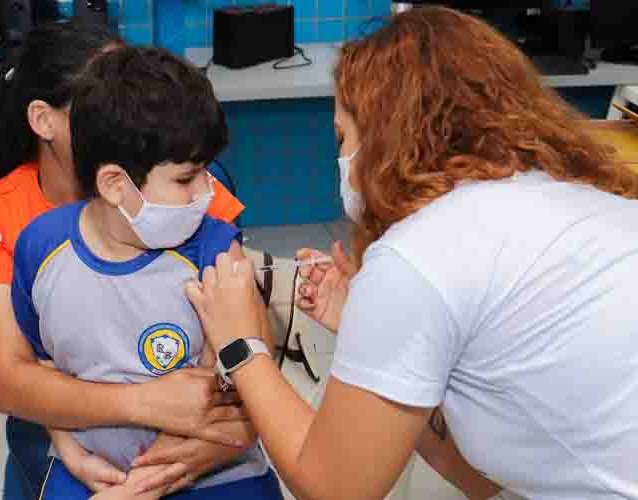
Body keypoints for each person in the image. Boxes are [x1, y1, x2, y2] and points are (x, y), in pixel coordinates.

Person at [137, 7, 638, 500]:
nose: (341, 159)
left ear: (386, 139)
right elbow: (480, 479)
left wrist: (242, 346)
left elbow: (337, 487)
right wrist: (377, 345)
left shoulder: (420, 254)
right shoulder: (572, 203)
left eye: (342, 137)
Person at [0, 20, 258, 500]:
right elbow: (13, 380)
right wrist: (136, 409)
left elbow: (249, 345)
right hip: (74, 429)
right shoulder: (9, 221)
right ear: (43, 119)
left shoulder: (186, 188)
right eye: (98, 96)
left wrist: (227, 433)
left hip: (194, 433)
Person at [11, 45, 283, 500]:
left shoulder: (216, 251)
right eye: (186, 178)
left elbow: (241, 389)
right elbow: (45, 370)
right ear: (115, 184)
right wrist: (68, 451)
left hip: (211, 466)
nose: (207, 191)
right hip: (89, 469)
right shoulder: (41, 248)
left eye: (207, 172)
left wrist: (142, 485)